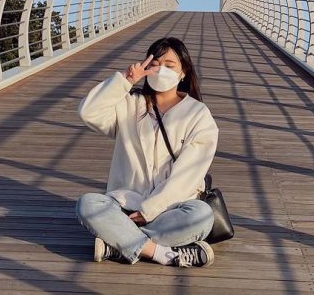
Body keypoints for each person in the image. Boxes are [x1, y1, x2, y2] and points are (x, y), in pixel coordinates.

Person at [75, 36, 219, 267]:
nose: (161, 70)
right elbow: (88, 112)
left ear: (183, 72)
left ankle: (120, 243)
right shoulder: (129, 104)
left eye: (170, 65)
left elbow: (189, 173)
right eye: (155, 64)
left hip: (171, 207)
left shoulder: (198, 114)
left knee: (201, 215)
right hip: (125, 204)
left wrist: (151, 209)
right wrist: (125, 81)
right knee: (88, 204)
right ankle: (161, 252)